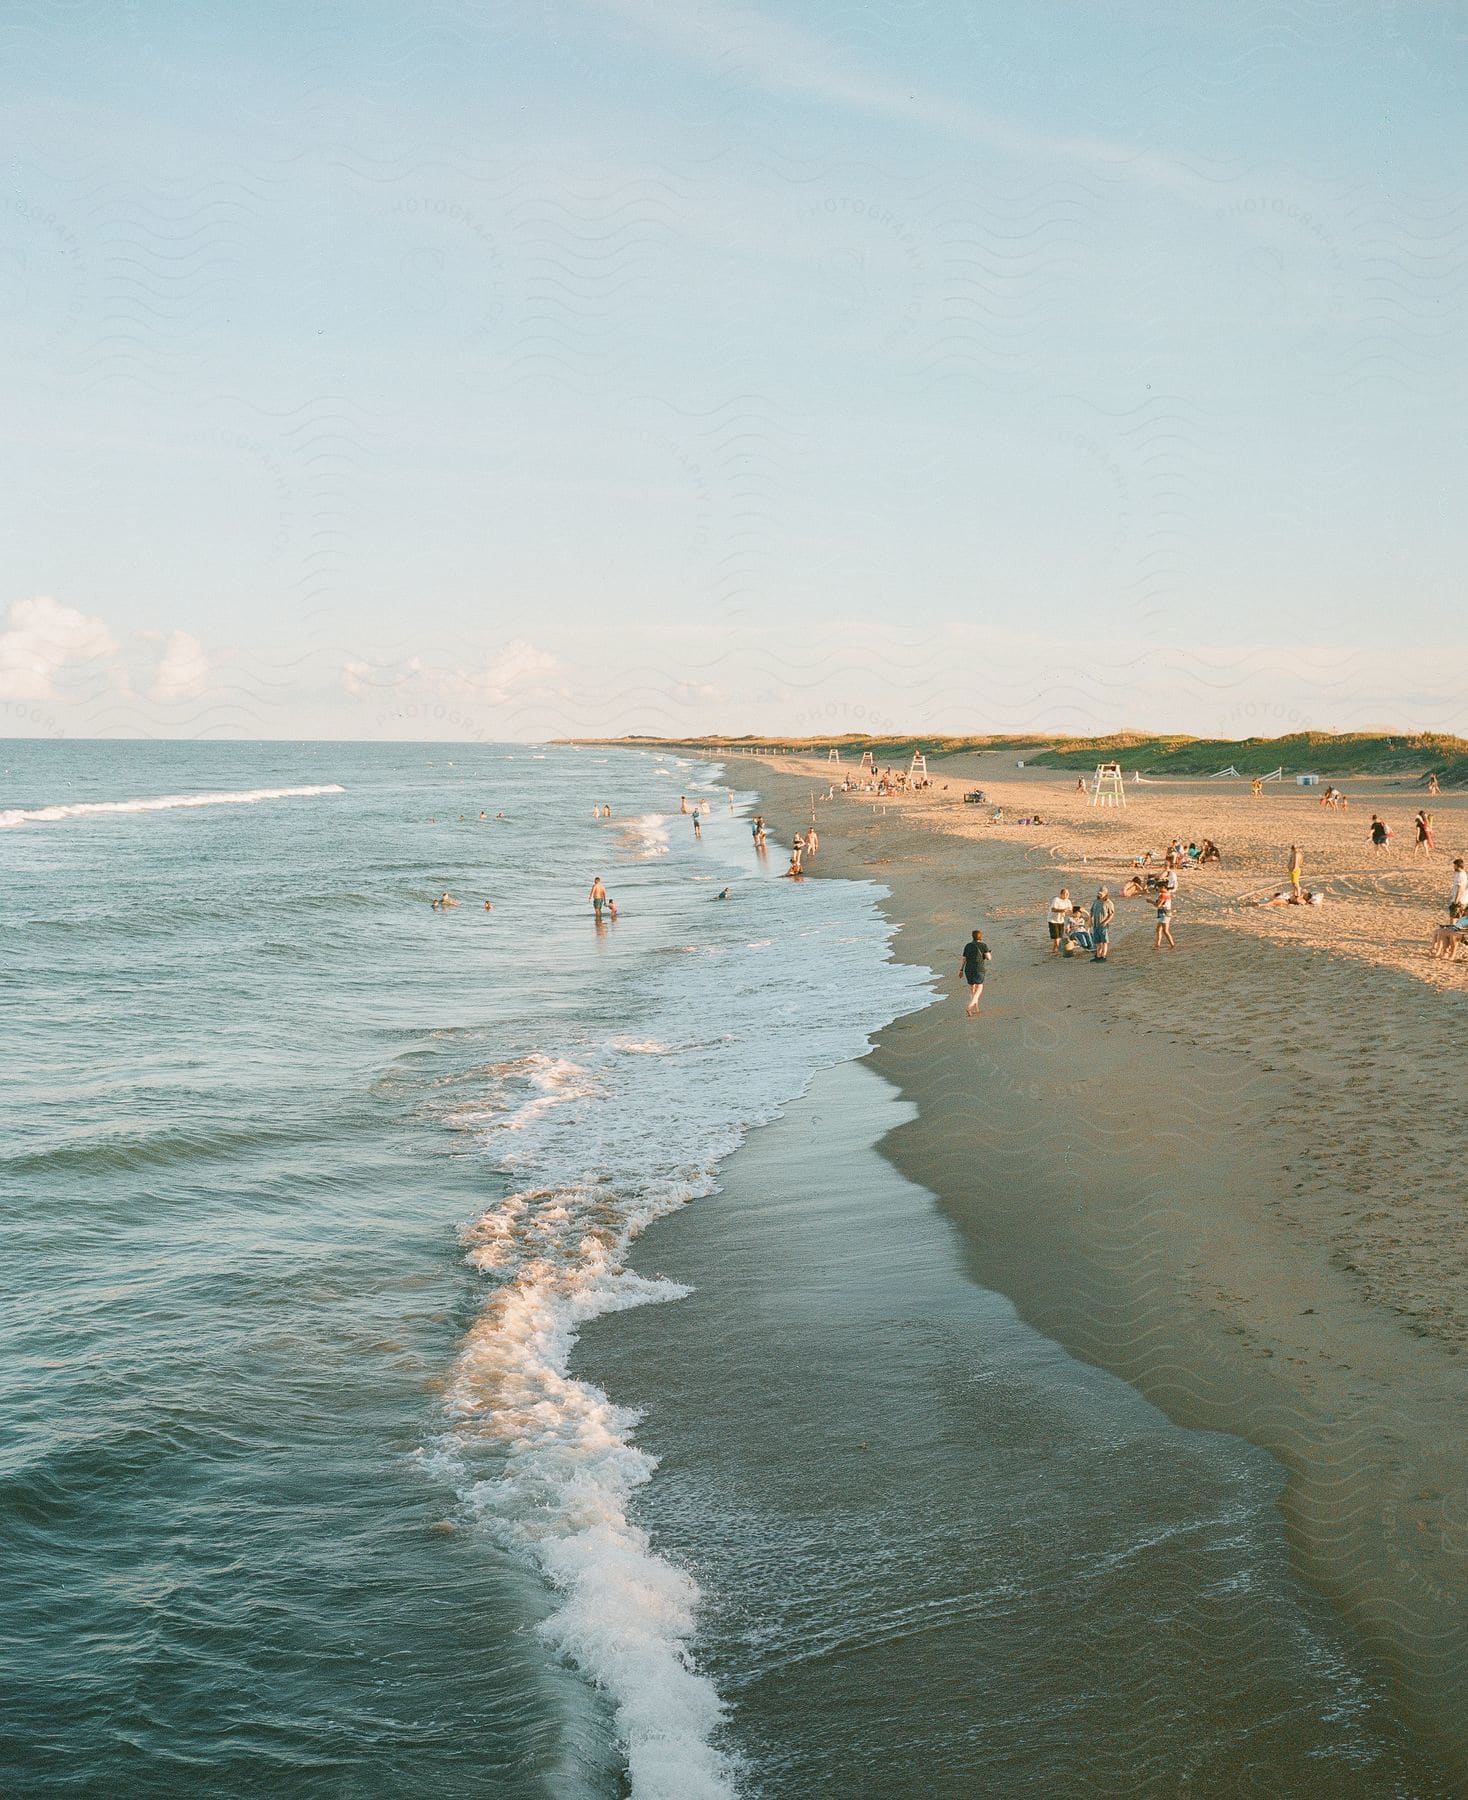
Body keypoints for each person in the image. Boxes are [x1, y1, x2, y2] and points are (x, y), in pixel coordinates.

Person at [959, 929, 991, 1015]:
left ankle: (976, 1009)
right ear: (981, 936)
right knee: (979, 987)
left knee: (972, 988)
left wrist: (961, 970)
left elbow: (964, 959)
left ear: (972, 937)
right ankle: (970, 1007)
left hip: (968, 969)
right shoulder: (983, 945)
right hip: (979, 969)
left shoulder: (968, 946)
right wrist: (986, 954)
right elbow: (989, 958)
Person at [1090, 885, 1115, 961]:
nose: (1099, 895)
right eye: (1099, 893)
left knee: (1104, 941)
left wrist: (1106, 922)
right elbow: (1091, 911)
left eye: (1101, 894)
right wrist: (1090, 920)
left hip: (1103, 925)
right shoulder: (1096, 901)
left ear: (1105, 894)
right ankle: (1098, 956)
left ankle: (1103, 956)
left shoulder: (1108, 903)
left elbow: (1111, 914)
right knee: (1097, 942)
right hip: (1095, 924)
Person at [1047, 888, 1070, 954]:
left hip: (1061, 920)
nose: (1067, 895)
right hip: (1053, 920)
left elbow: (1071, 910)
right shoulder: (1056, 900)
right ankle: (1056, 951)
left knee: (1060, 936)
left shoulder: (1068, 901)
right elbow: (1053, 909)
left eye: (1068, 894)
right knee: (1056, 937)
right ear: (1061, 894)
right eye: (1065, 894)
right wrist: (1062, 910)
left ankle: (1054, 950)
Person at [1154, 883, 1175, 949]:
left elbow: (1158, 905)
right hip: (1165, 912)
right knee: (1158, 929)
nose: (1158, 889)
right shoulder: (1167, 893)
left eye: (1159, 888)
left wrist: (1150, 901)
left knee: (1165, 930)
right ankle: (1157, 945)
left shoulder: (1163, 895)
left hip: (1163, 912)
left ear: (1163, 887)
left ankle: (1172, 945)